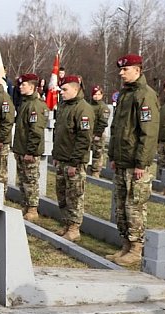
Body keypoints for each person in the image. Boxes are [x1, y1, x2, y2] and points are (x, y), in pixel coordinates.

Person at [106, 54, 159, 265]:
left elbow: (148, 132)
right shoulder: (125, 95)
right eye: (120, 69)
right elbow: (118, 129)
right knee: (121, 206)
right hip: (122, 159)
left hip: (135, 163)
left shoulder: (145, 95)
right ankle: (125, 245)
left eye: (125, 69)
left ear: (137, 70)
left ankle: (136, 249)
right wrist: (113, 156)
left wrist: (141, 163)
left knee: (134, 206)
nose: (121, 73)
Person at [52, 75, 94, 242]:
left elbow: (84, 139)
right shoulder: (64, 107)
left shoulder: (83, 109)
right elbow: (60, 133)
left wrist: (74, 162)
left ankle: (74, 228)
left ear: (76, 89)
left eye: (65, 89)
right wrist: (57, 156)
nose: (61, 92)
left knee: (74, 195)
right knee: (62, 194)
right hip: (62, 158)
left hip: (74, 162)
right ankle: (67, 224)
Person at [13, 73, 47, 222]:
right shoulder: (25, 102)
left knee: (30, 180)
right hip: (21, 149)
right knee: (23, 180)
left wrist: (31, 151)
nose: (20, 87)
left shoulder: (35, 105)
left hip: (29, 152)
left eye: (23, 85)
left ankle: (32, 209)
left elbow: (36, 130)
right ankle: (26, 206)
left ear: (32, 87)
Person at [89, 85, 110, 178]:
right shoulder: (88, 106)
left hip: (98, 133)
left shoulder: (103, 107)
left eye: (98, 94)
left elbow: (103, 122)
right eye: (94, 94)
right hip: (88, 133)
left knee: (97, 153)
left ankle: (96, 172)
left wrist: (98, 134)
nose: (96, 96)